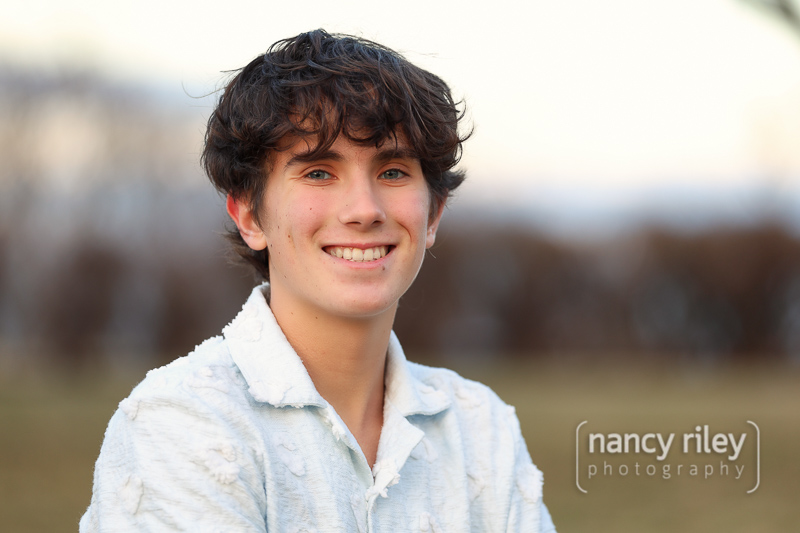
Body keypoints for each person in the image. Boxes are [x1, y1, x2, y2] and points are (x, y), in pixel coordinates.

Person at [80, 29, 557, 532]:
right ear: (249, 215)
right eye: (318, 173)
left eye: (393, 172)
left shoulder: (481, 428)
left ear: (433, 212)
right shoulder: (181, 421)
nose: (364, 210)